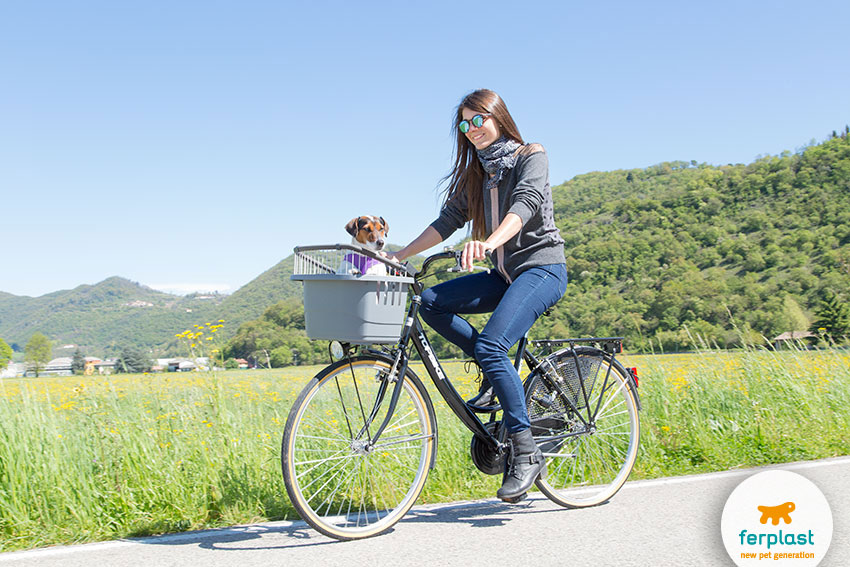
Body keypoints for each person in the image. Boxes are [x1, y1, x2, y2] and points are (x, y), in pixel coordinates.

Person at [393, 89, 568, 501]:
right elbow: (449, 220)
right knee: (431, 302)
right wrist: (398, 255)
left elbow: (524, 205)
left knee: (491, 344)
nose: (473, 130)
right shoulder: (478, 173)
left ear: (498, 117)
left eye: (479, 120)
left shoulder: (531, 155)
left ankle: (525, 453)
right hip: (504, 275)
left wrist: (489, 243)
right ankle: (495, 370)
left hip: (542, 269)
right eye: (465, 124)